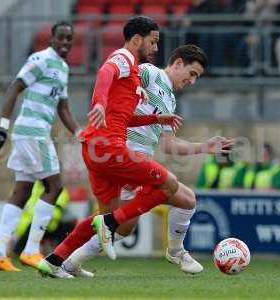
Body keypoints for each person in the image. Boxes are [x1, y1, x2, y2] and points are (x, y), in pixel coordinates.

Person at [37, 16, 231, 278]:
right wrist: (101, 103)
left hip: (123, 155)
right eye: (192, 73)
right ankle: (176, 252)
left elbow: (170, 146)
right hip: (121, 153)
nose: (192, 81)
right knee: (181, 196)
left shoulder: (169, 100)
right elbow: (112, 74)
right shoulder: (149, 72)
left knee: (120, 225)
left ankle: (62, 260)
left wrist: (205, 147)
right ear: (177, 63)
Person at [0, 21, 81, 272]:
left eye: (69, 39)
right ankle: (31, 251)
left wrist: (80, 132)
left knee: (22, 191)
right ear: (51, 39)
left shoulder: (62, 68)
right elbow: (14, 88)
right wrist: (2, 128)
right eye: (61, 37)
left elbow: (63, 109)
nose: (65, 42)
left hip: (36, 133)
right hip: (32, 132)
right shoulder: (40, 59)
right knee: (55, 185)